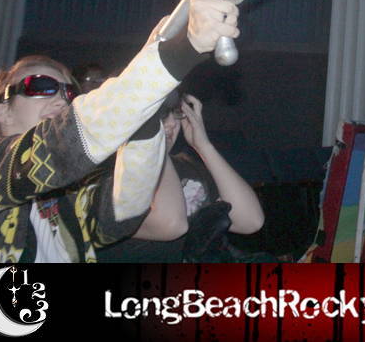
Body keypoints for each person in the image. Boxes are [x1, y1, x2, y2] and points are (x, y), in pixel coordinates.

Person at [0, 0, 239, 262]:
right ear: (0, 110)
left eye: (69, 93)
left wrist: (148, 98)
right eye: (41, 86)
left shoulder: (67, 202)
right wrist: (182, 51)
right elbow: (55, 146)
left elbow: (126, 209)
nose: (61, 100)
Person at [97, 92, 265, 262]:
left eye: (176, 112)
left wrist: (204, 146)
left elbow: (251, 221)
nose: (172, 123)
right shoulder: (109, 174)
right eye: (162, 113)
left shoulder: (185, 165)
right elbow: (171, 224)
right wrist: (154, 143)